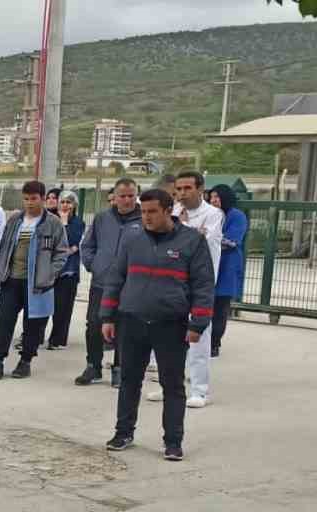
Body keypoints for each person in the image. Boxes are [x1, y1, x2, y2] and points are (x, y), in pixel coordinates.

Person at [101, 188, 215, 461]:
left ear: (168, 211)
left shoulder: (191, 242)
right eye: (143, 212)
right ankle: (123, 432)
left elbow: (203, 285)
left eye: (153, 212)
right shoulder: (132, 239)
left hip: (170, 324)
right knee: (129, 380)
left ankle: (173, 441)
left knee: (172, 384)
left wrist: (197, 323)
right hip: (131, 320)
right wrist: (107, 316)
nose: (147, 217)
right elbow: (116, 277)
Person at [153, 172, 224, 407]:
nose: (182, 193)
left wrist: (183, 226)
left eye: (187, 188)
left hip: (199, 284)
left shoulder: (213, 215)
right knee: (168, 339)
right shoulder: (172, 211)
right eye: (179, 189)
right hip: (172, 283)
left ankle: (199, 390)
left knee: (198, 339)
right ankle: (168, 385)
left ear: (200, 189)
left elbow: (199, 241)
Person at [0, 181, 68, 380]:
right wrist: (2, 271)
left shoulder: (53, 223)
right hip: (11, 280)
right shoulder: (15, 220)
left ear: (42, 198)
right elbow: (4, 246)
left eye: (34, 198)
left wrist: (50, 275)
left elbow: (61, 253)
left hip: (37, 284)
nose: (30, 203)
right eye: (26, 199)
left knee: (33, 325)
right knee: (4, 321)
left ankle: (25, 361)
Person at [75, 178, 140, 387]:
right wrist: (94, 264)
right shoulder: (102, 218)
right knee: (94, 325)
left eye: (131, 195)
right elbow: (87, 245)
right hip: (101, 283)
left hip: (130, 285)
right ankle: (93, 365)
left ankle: (120, 369)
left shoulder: (144, 218)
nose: (127, 200)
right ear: (114, 197)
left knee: (124, 327)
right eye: (123, 196)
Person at [208, 185, 247, 358]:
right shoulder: (210, 214)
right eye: (211, 197)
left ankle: (214, 343)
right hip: (207, 264)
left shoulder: (237, 216)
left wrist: (209, 239)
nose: (214, 200)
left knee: (220, 307)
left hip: (227, 266)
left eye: (217, 197)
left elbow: (231, 241)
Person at [47, 191, 85, 350]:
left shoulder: (78, 223)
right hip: (50, 270)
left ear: (74, 205)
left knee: (63, 307)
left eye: (69, 202)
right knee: (45, 306)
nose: (65, 205)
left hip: (68, 272)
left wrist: (64, 223)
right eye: (62, 202)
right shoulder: (50, 221)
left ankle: (58, 339)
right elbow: (52, 243)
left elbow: (71, 241)